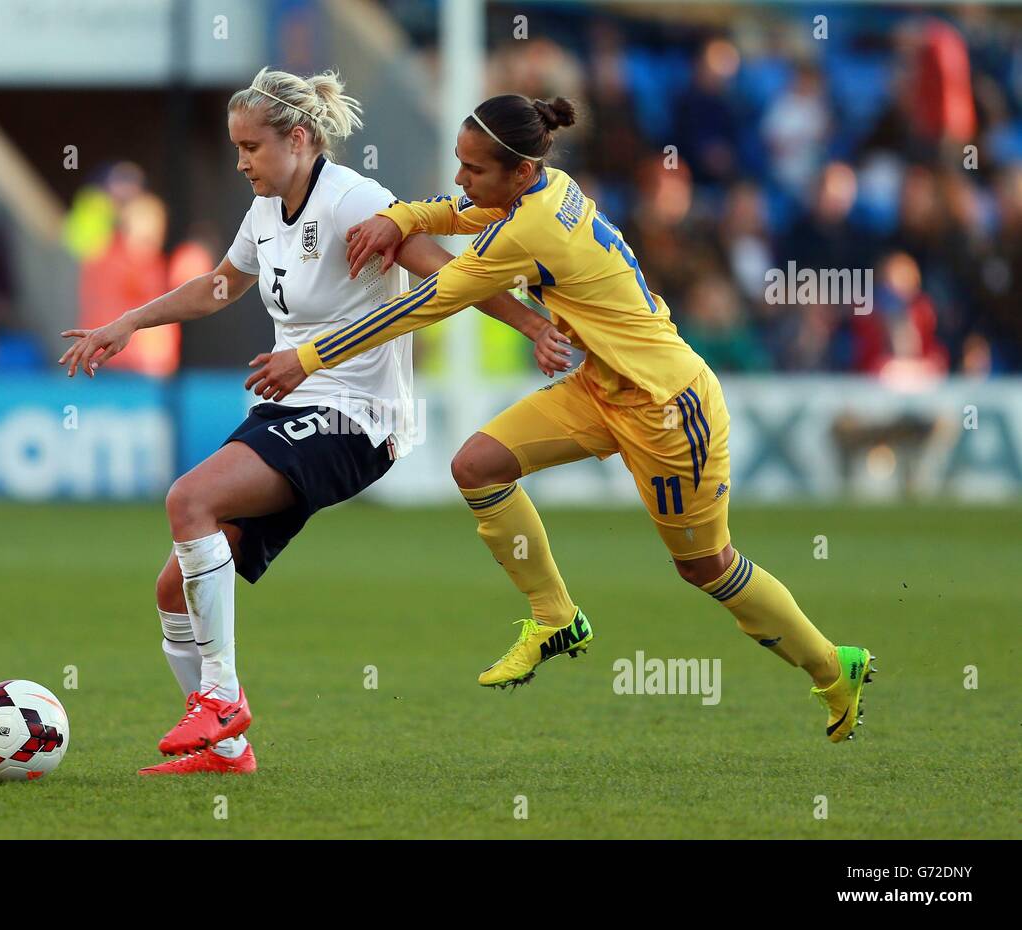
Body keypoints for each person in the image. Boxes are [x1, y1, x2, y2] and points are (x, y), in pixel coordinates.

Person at [245, 94, 876, 743]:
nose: (462, 179)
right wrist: (400, 215)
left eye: (474, 168)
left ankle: (833, 666)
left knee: (706, 566)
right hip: (600, 386)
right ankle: (555, 617)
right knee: (477, 467)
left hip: (667, 406)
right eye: (460, 164)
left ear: (517, 172)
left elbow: (425, 304)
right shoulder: (541, 188)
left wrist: (309, 358)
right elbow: (457, 209)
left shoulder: (532, 228)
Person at [57, 71, 563, 774]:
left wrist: (533, 325)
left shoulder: (356, 200)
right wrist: (128, 322)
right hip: (292, 411)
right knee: (174, 589)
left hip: (357, 419)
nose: (240, 162)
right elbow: (217, 287)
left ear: (297, 139)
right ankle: (227, 749)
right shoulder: (265, 208)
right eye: (236, 148)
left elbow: (443, 274)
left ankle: (221, 700)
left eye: (251, 147)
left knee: (189, 500)